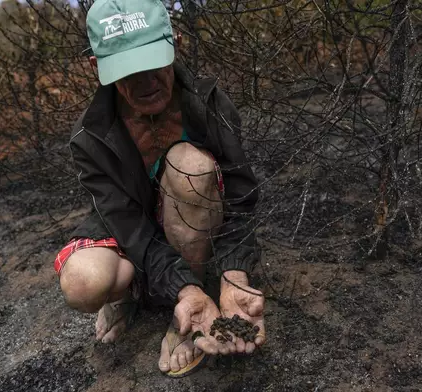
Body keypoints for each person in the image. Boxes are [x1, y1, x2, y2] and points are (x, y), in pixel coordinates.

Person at [54, 0, 265, 377]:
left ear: (176, 44)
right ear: (96, 68)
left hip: (192, 211)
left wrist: (234, 275)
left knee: (190, 166)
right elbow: (125, 221)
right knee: (84, 282)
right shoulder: (90, 136)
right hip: (131, 219)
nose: (146, 81)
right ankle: (135, 294)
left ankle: (188, 309)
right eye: (129, 70)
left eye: (154, 63)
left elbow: (241, 197)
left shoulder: (208, 103)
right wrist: (180, 287)